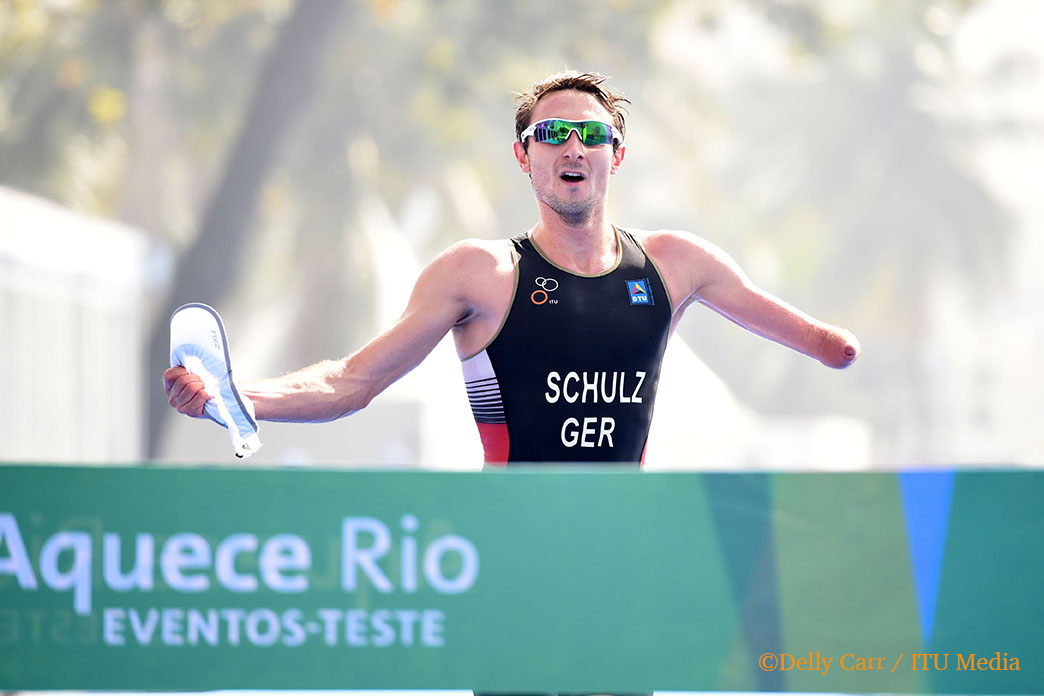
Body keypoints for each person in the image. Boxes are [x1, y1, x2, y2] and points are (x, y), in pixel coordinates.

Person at [164, 70, 860, 467]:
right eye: (551, 133)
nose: (572, 146)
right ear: (524, 157)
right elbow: (353, 380)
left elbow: (826, 346)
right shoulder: (481, 274)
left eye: (592, 133)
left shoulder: (677, 264)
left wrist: (840, 346)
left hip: (623, 557)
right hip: (514, 554)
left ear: (615, 156)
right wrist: (245, 398)